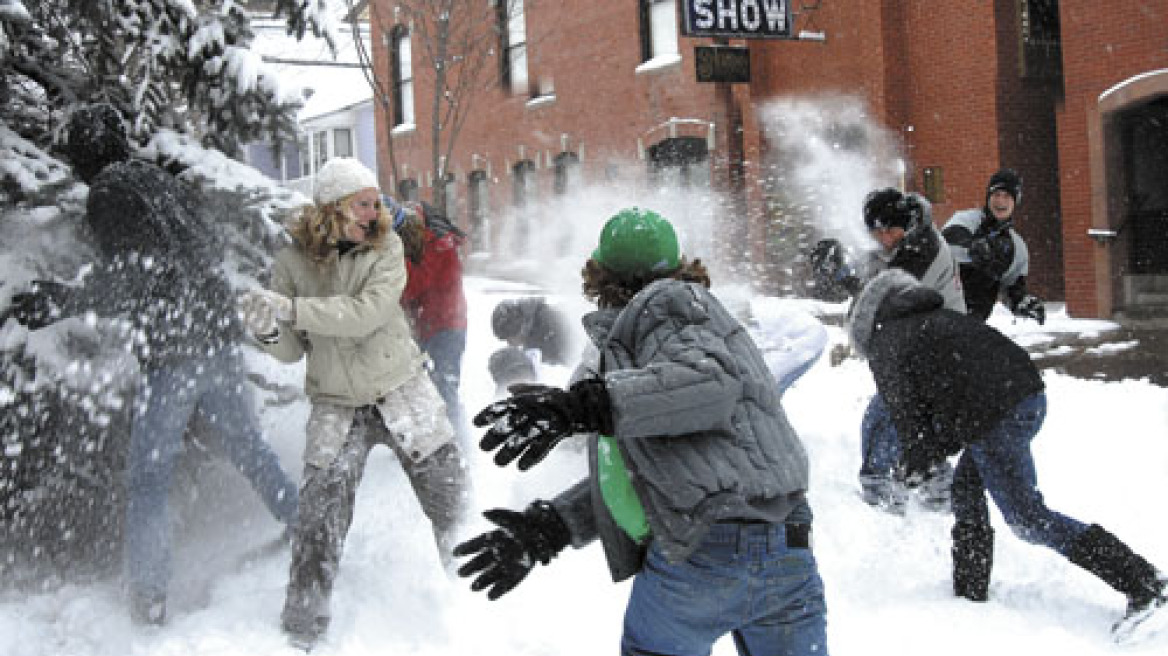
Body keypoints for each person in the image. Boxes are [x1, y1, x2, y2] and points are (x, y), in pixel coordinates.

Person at [456, 208, 829, 656]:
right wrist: (552, 525)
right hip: (786, 550)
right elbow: (649, 472)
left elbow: (712, 385)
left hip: (705, 551)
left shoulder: (665, 309)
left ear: (600, 276)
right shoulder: (690, 328)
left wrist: (582, 406)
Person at [10, 103, 300, 625]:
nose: (74, 164)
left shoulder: (109, 190)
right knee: (246, 444)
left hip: (174, 351)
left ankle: (147, 597)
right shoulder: (163, 183)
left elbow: (136, 271)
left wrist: (65, 299)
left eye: (75, 151)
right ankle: (304, 525)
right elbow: (203, 248)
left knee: (148, 477)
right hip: (216, 339)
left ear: (86, 151)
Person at [847, 267, 1167, 643]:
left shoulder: (888, 343)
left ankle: (1144, 583)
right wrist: (931, 454)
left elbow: (909, 417)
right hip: (1025, 395)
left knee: (1027, 518)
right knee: (967, 489)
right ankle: (970, 591)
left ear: (864, 324)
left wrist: (918, 466)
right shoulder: (930, 320)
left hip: (995, 414)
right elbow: (950, 393)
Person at [239, 157, 469, 649]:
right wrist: (266, 329)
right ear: (332, 207)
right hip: (336, 403)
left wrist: (293, 309)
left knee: (452, 501)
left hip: (401, 387)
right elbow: (291, 350)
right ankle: (302, 629)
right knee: (319, 520)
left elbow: (366, 314)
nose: (374, 210)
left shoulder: (384, 247)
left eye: (374, 201)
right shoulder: (291, 263)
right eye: (362, 203)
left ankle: (478, 601)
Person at [812, 188, 965, 512]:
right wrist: (843, 270)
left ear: (902, 224)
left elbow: (879, 299)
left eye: (886, 230)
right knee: (910, 424)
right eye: (875, 232)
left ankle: (882, 500)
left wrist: (844, 277)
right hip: (934, 348)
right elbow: (877, 282)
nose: (881, 238)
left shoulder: (918, 250)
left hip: (936, 351)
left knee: (885, 419)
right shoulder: (914, 238)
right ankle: (939, 498)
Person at [394, 199, 472, 447]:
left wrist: (396, 262)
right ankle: (425, 438)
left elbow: (414, 285)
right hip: (424, 326)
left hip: (448, 326)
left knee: (446, 387)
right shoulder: (423, 243)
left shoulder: (439, 245)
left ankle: (458, 445)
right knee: (414, 385)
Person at [942, 168, 1046, 324]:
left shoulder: (1017, 247)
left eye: (1007, 196)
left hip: (975, 324)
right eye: (996, 195)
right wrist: (974, 248)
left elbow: (1012, 287)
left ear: (1015, 201)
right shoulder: (966, 221)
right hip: (942, 314)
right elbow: (948, 239)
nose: (1000, 201)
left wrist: (1023, 303)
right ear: (988, 197)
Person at [490, 296, 574, 367]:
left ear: (518, 328)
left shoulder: (549, 322)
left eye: (508, 338)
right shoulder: (530, 340)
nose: (509, 344)